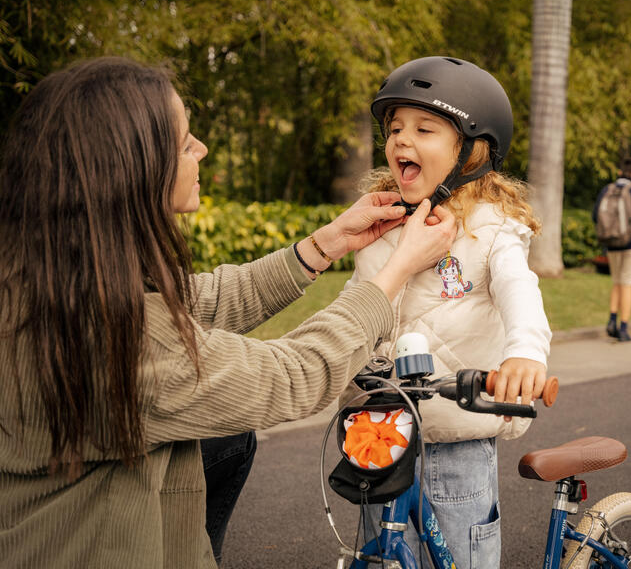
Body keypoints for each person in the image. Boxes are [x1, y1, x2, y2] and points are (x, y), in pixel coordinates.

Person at [0, 56, 457, 569]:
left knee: (230, 437)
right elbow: (294, 374)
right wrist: (394, 273)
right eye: (184, 142)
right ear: (131, 170)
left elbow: (200, 301)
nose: (202, 149)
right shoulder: (113, 341)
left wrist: (322, 246)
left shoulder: (50, 278)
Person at [343, 56, 552, 568]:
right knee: (378, 555)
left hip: (454, 430)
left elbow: (519, 289)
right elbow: (355, 306)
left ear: (472, 151)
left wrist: (525, 354)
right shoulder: (381, 223)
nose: (400, 140)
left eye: (424, 128)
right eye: (394, 128)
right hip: (381, 426)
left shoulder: (491, 228)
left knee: (461, 554)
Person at [592, 156, 631, 342]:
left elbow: (596, 215)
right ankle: (624, 328)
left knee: (617, 282)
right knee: (628, 284)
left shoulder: (608, 189)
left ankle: (612, 320)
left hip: (612, 244)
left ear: (621, 172)